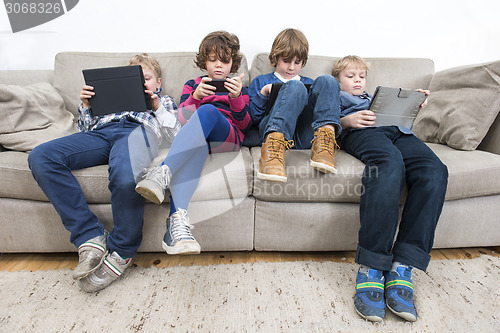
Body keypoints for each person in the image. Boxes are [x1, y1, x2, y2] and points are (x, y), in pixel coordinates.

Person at [28, 53, 180, 292]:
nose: (142, 84)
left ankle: (122, 250)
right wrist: (86, 107)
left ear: (158, 83)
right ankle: (90, 236)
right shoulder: (106, 103)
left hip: (139, 132)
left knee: (125, 174)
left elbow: (176, 135)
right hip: (101, 134)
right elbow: (84, 130)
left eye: (147, 78)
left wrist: (156, 106)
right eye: (135, 80)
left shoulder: (164, 101)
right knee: (41, 156)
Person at [332, 55, 448, 322]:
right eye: (350, 76)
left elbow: (403, 116)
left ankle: (402, 265)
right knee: (390, 165)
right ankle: (372, 266)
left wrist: (414, 103)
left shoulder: (376, 97)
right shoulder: (334, 95)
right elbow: (324, 122)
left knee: (435, 171)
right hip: (363, 132)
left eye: (361, 76)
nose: (357, 80)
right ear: (339, 79)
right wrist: (348, 121)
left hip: (399, 132)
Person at [135, 31, 251, 255]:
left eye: (225, 61)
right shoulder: (192, 85)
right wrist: (195, 97)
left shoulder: (238, 87)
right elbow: (182, 122)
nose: (219, 66)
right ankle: (176, 228)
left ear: (232, 64)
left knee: (208, 111)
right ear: (204, 61)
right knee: (194, 146)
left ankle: (162, 171)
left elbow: (245, 124)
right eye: (213, 60)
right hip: (200, 141)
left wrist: (236, 98)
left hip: (227, 140)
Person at [248, 28, 341, 182]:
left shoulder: (310, 84)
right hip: (272, 134)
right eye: (286, 61)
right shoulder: (261, 81)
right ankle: (272, 153)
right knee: (295, 86)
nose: (291, 67)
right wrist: (264, 93)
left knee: (328, 80)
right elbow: (252, 119)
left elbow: (328, 110)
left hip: (304, 136)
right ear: (276, 58)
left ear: (303, 62)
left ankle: (324, 147)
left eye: (297, 62)